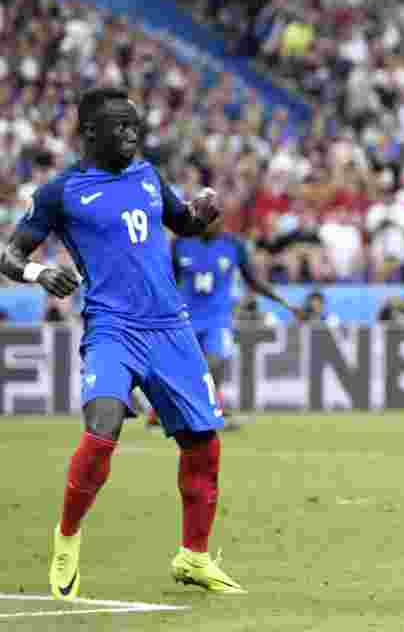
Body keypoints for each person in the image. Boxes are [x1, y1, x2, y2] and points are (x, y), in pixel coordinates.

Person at [0, 88, 245, 599]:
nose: (133, 134)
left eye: (136, 125)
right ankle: (67, 536)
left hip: (172, 328)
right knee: (103, 427)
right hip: (113, 328)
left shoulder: (149, 174)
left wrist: (204, 212)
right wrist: (42, 272)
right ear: (91, 133)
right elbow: (9, 255)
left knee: (204, 445)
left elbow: (183, 223)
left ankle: (193, 557)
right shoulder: (62, 191)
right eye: (122, 127)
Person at [150, 216, 305, 430]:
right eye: (206, 218)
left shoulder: (233, 245)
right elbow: (165, 280)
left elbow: (253, 280)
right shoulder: (180, 244)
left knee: (215, 363)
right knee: (179, 369)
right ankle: (167, 412)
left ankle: (204, 414)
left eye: (215, 219)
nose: (210, 223)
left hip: (218, 319)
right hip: (184, 318)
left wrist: (284, 303)